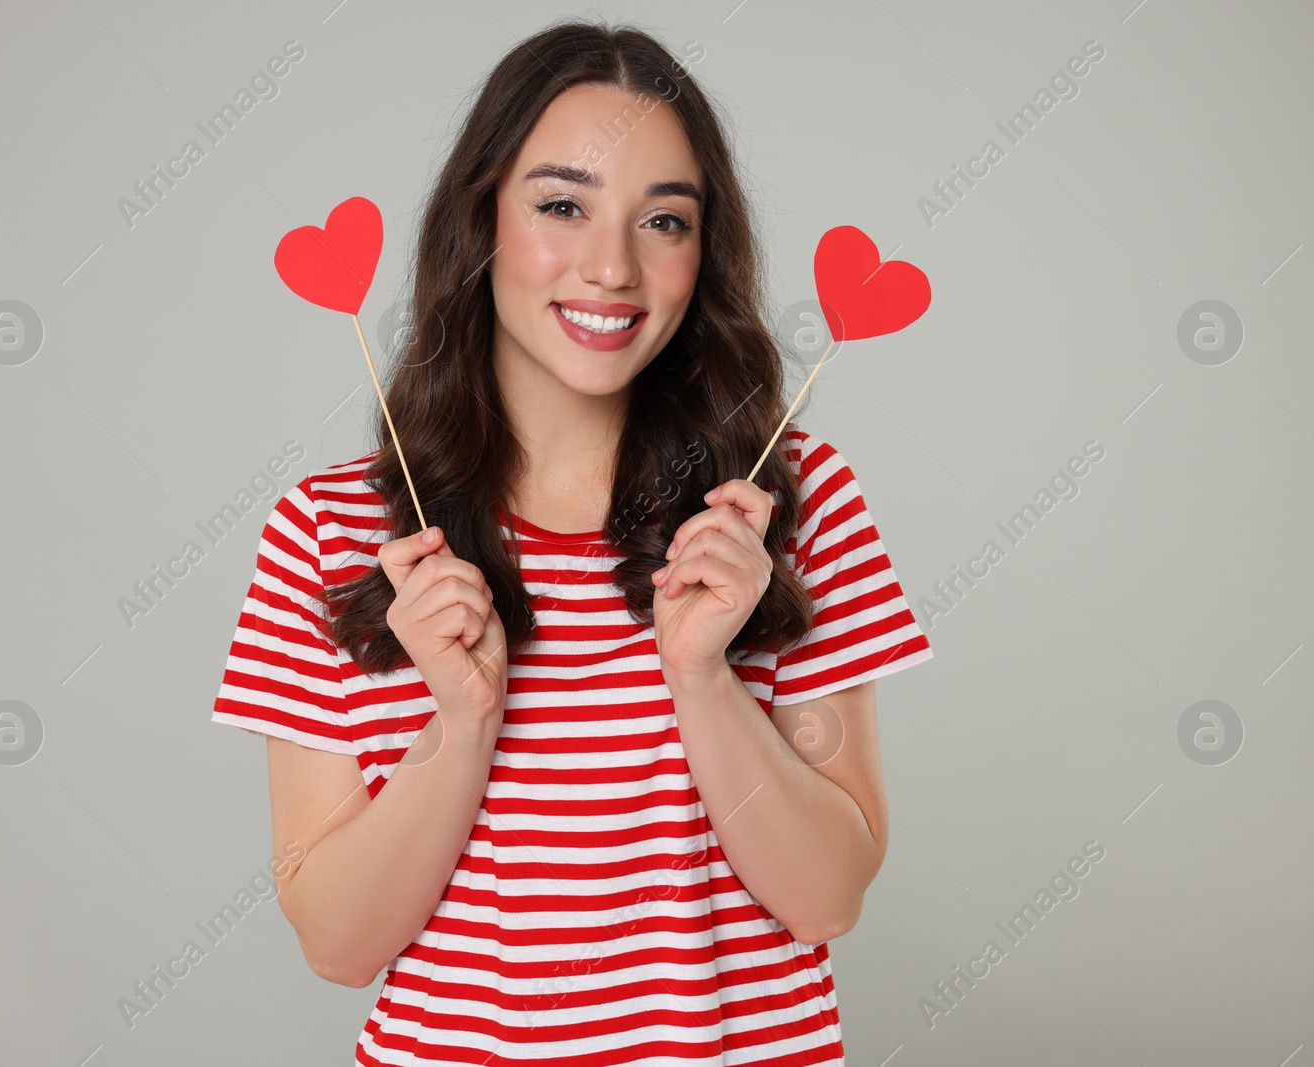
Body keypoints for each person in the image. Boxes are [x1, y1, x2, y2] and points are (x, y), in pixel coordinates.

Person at [212, 20, 932, 1066]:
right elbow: (338, 940)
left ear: (702, 250)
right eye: (561, 206)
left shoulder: (786, 505)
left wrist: (702, 677)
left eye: (665, 221)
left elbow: (826, 900)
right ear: (482, 223)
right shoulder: (332, 530)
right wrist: (459, 727)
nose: (612, 267)